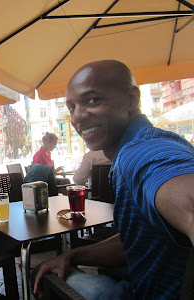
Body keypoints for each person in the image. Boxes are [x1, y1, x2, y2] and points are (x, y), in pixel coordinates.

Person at [32, 60, 194, 299]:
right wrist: (71, 255)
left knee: (37, 273)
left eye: (92, 100)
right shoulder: (162, 140)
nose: (77, 117)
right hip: (138, 283)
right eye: (71, 106)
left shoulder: (140, 152)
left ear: (131, 99)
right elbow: (136, 238)